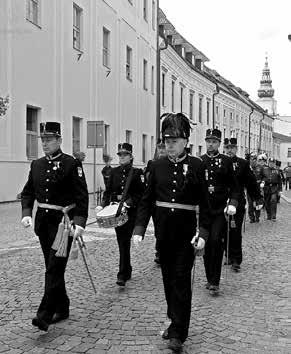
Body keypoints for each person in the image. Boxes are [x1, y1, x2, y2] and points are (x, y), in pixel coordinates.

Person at [133, 113, 210, 352]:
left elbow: (205, 204)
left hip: (187, 234)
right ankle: (173, 319)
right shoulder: (156, 166)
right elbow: (147, 201)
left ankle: (178, 331)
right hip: (164, 235)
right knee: (168, 281)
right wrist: (139, 229)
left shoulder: (197, 166)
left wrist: (203, 233)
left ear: (185, 141)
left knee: (181, 281)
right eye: (166, 141)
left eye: (174, 141)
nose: (169, 145)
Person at [21, 122, 88, 332]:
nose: (45, 143)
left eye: (49, 139)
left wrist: (80, 223)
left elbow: (82, 197)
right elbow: (28, 192)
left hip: (63, 224)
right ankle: (63, 306)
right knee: (53, 268)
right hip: (43, 224)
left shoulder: (71, 164)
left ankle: (44, 315)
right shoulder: (37, 165)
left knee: (54, 269)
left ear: (59, 140)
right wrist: (26, 213)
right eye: (43, 139)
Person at [99, 143, 145, 286]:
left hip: (131, 211)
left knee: (125, 240)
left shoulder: (137, 173)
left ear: (131, 156)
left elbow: (141, 194)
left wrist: (128, 203)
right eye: (120, 155)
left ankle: (124, 271)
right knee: (122, 242)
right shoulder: (114, 172)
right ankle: (125, 271)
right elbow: (108, 192)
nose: (122, 157)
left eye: (125, 154)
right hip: (117, 211)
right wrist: (102, 205)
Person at [200, 129, 239, 295]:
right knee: (205, 244)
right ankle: (209, 277)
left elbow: (235, 187)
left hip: (219, 210)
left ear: (219, 144)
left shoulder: (226, 162)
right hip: (203, 210)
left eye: (214, 141)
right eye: (208, 141)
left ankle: (215, 280)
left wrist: (233, 203)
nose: (211, 144)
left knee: (216, 241)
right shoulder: (199, 161)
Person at [224, 138, 263, 272]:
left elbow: (251, 182)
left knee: (235, 231)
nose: (230, 150)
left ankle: (236, 259)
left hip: (238, 202)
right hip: (220, 202)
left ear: (236, 149)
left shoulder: (242, 164)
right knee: (224, 230)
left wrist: (257, 198)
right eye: (227, 147)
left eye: (232, 147)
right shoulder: (220, 161)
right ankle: (227, 254)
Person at [143, 140, 167, 265]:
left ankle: (164, 250)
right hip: (154, 201)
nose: (161, 150)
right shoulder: (152, 163)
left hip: (166, 200)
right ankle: (159, 251)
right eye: (159, 147)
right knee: (158, 227)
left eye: (163, 147)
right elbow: (147, 180)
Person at [247, 153, 264, 223]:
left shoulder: (260, 167)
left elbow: (264, 176)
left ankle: (257, 217)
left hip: (257, 188)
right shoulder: (246, 167)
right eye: (251, 159)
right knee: (250, 204)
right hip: (249, 188)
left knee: (257, 203)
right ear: (249, 160)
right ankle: (251, 218)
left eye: (254, 159)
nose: (253, 161)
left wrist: (263, 182)